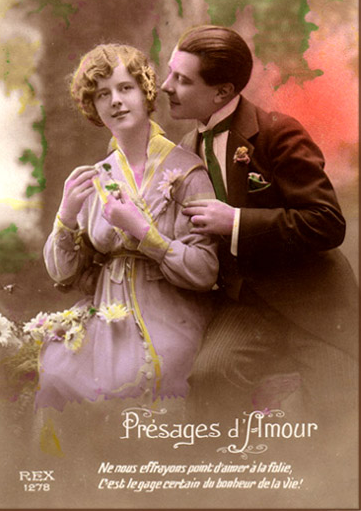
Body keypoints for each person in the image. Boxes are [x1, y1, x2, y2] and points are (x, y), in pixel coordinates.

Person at [161, 24, 358, 426]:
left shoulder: (276, 133)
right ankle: (229, 484)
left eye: (182, 80)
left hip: (314, 305)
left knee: (336, 417)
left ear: (222, 92)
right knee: (209, 379)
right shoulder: (186, 151)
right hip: (246, 306)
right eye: (170, 73)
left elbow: (326, 223)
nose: (166, 86)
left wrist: (234, 221)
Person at [25, 43, 219, 412]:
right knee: (56, 378)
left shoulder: (187, 171)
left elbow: (205, 270)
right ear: (93, 107)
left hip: (169, 315)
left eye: (125, 88)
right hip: (107, 316)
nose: (115, 100)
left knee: (128, 384)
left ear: (146, 92)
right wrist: (65, 215)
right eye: (102, 94)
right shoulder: (98, 178)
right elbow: (61, 273)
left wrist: (145, 234)